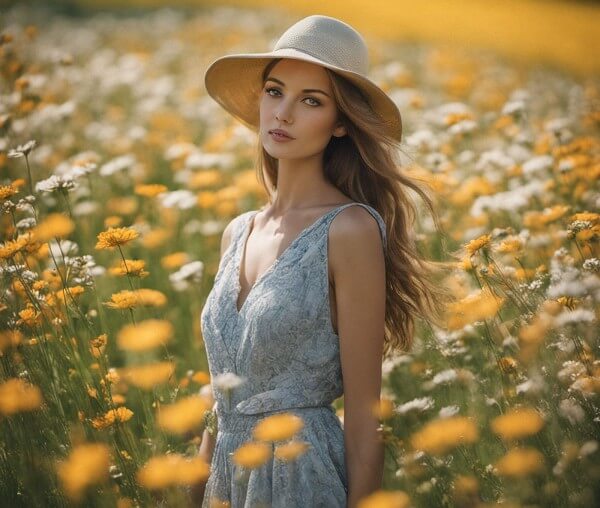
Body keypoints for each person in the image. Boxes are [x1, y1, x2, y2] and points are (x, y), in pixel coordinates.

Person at [195, 14, 447, 508]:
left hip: (301, 478)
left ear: (339, 124)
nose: (283, 113)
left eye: (311, 100)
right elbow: (219, 400)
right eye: (274, 91)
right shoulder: (236, 232)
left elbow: (362, 420)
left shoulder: (348, 230)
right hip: (225, 482)